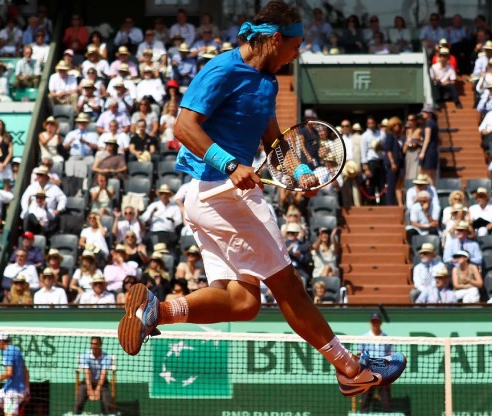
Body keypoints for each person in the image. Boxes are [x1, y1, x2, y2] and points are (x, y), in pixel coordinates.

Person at [118, 2, 406, 397]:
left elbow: (273, 139)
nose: (297, 53)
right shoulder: (221, 68)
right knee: (289, 287)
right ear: (274, 40)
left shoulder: (268, 81)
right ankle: (350, 368)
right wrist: (231, 164)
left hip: (208, 201)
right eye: (295, 45)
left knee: (241, 302)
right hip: (221, 194)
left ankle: (156, 311)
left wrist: (301, 172)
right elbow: (184, 126)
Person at [0, 334, 29, 416]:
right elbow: (25, 371)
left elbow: (8, 372)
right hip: (8, 389)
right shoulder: (16, 350)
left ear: (1, 341)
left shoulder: (7, 351)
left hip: (14, 392)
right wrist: (27, 390)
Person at [357, 313, 394, 413]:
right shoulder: (364, 337)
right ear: (370, 322)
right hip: (368, 373)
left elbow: (391, 356)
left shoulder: (387, 338)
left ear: (380, 322)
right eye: (373, 321)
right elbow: (360, 355)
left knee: (386, 403)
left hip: (383, 373)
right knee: (365, 402)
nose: (375, 323)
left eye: (377, 321)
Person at [74, 336, 113, 414]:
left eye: (95, 344)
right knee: (78, 403)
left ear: (100, 344)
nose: (93, 346)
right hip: (87, 382)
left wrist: (97, 390)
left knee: (106, 404)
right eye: (92, 344)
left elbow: (103, 373)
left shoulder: (107, 357)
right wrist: (90, 390)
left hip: (102, 383)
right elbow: (87, 372)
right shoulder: (85, 356)